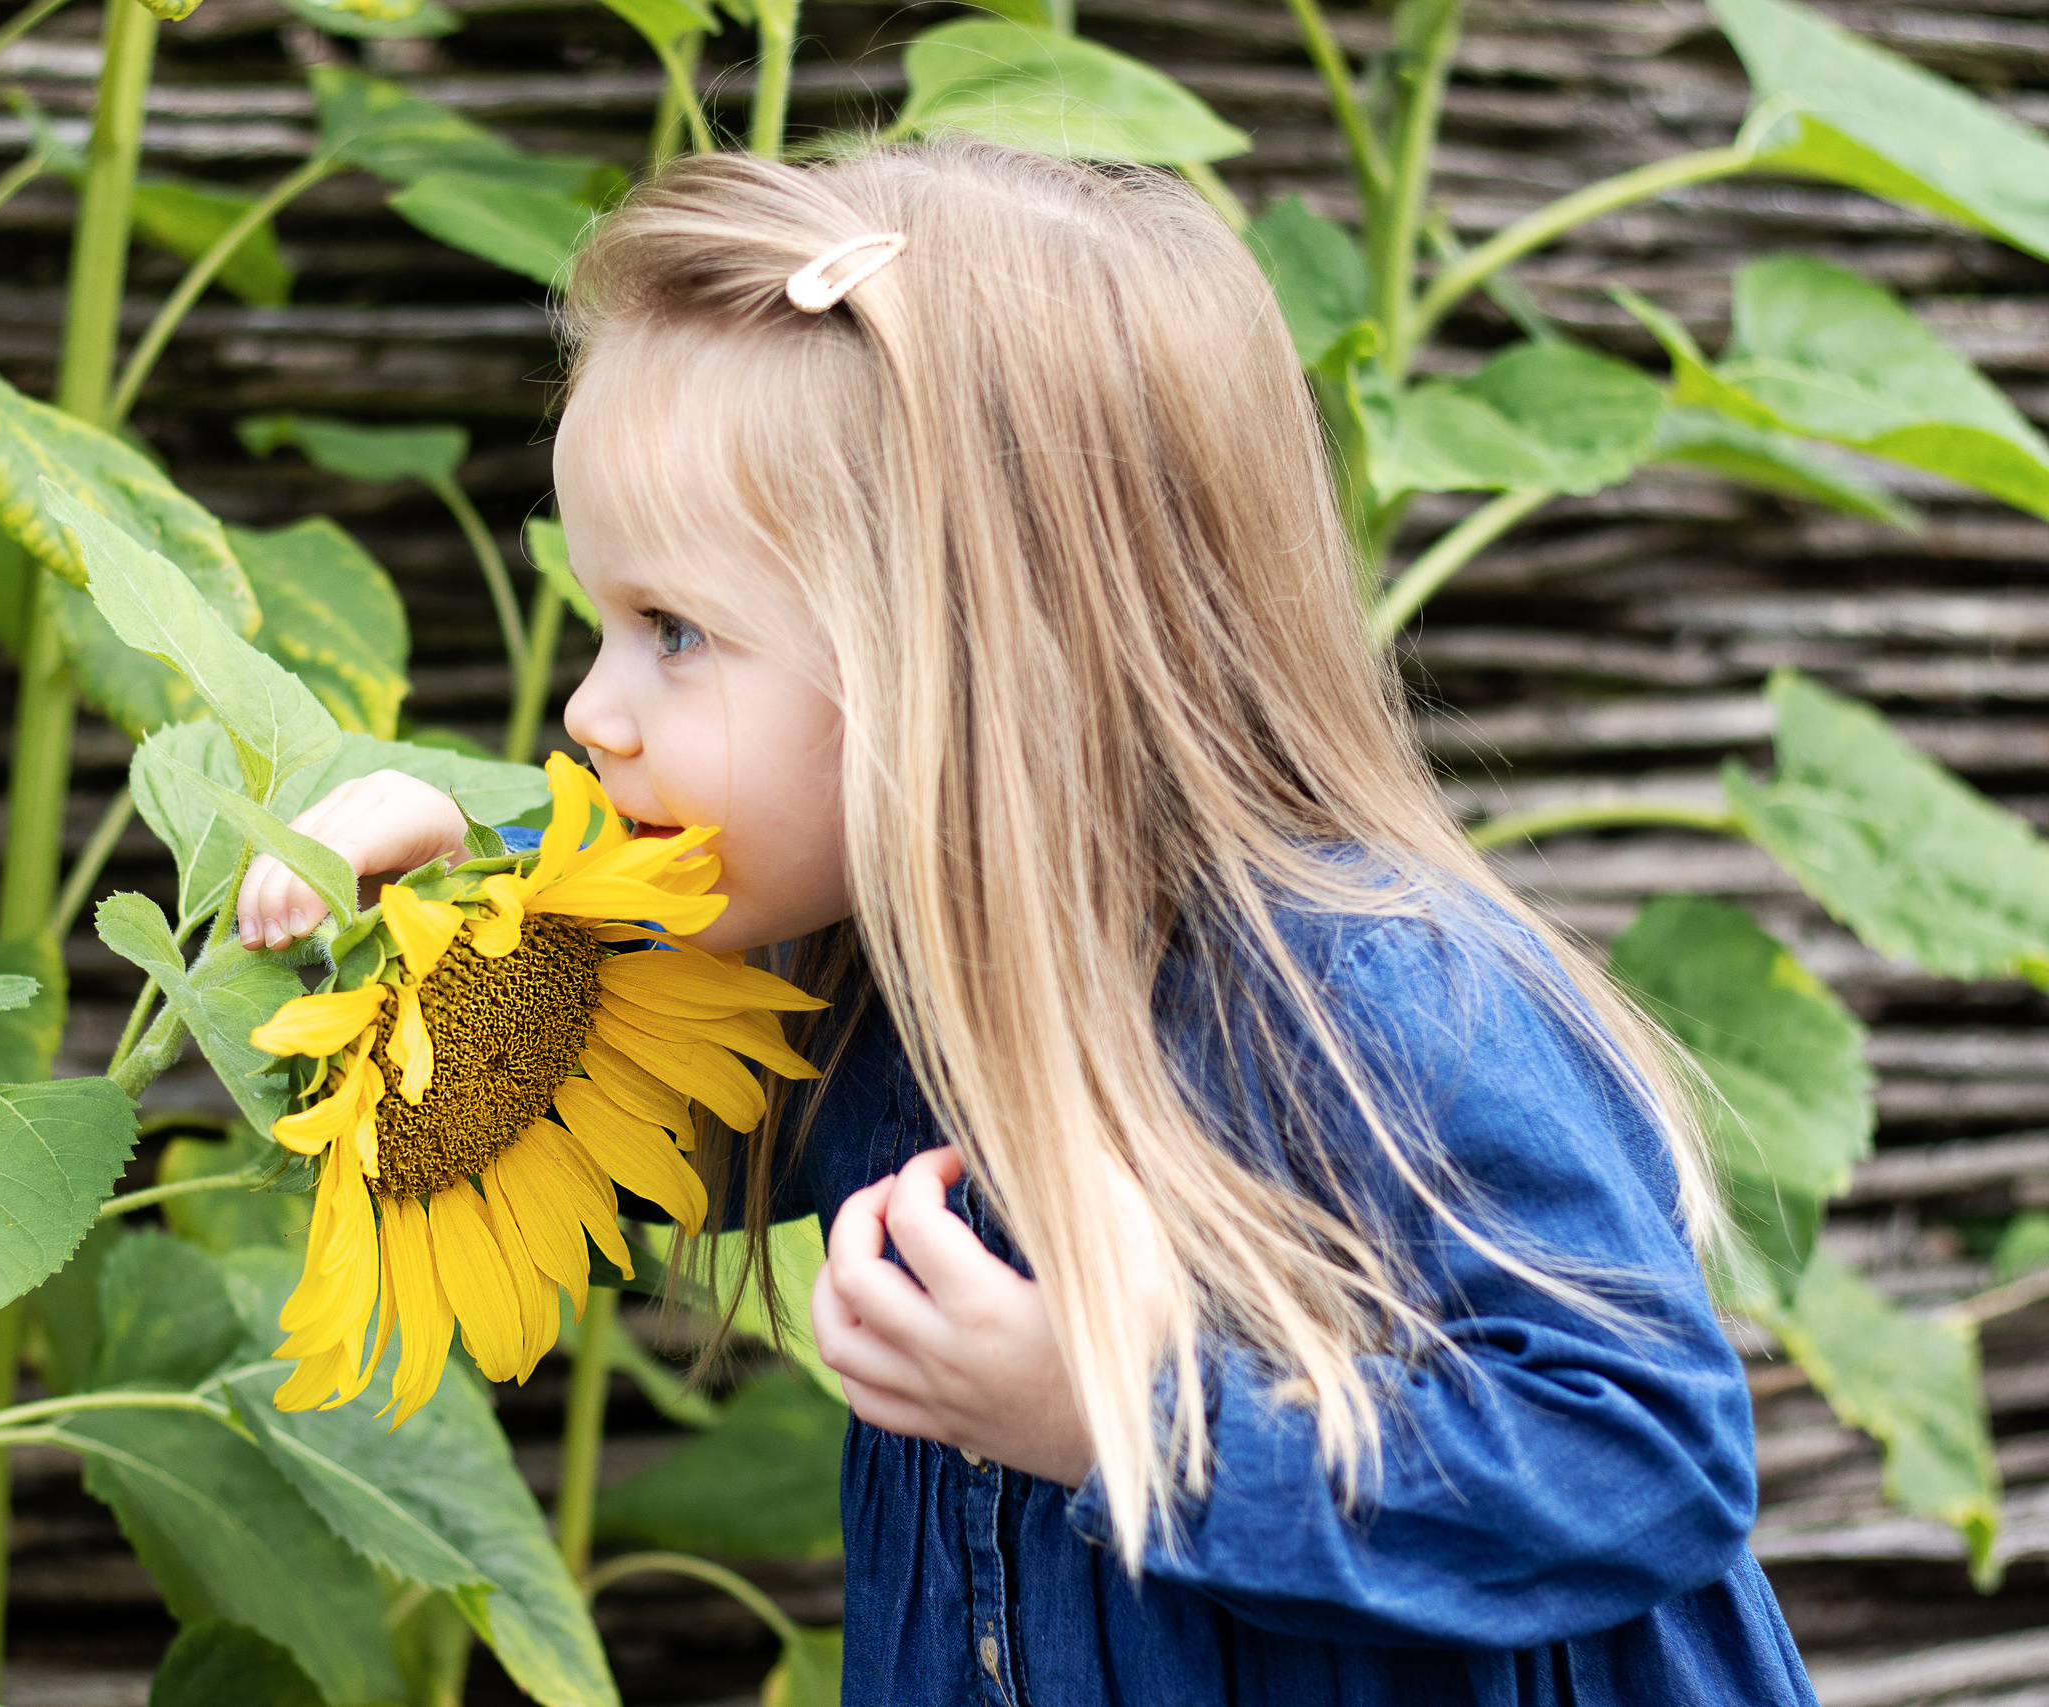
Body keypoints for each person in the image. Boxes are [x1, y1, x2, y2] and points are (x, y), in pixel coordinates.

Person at [234, 140, 1818, 1707]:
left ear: (971, 654)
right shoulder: (879, 974)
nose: (592, 710)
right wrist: (446, 926)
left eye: (673, 631)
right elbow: (630, 1131)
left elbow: (1649, 1455)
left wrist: (1121, 1419)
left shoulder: (1367, 994)